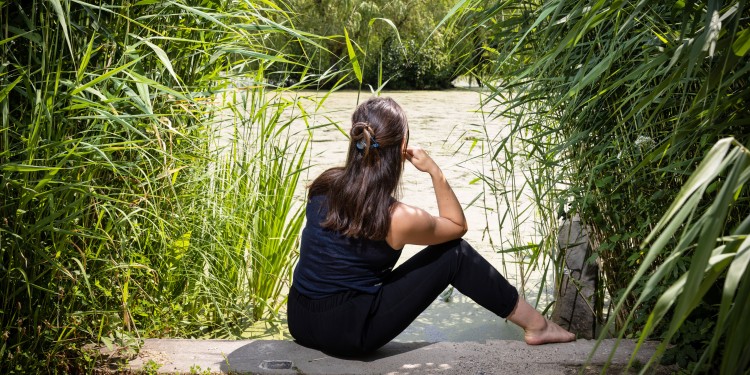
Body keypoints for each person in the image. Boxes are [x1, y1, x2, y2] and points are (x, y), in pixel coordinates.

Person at [287, 97, 575, 356]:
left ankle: (538, 326)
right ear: (402, 147)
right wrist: (435, 171)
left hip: (299, 319)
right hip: (348, 335)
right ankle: (537, 325)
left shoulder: (324, 184)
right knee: (455, 253)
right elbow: (457, 226)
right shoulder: (397, 217)